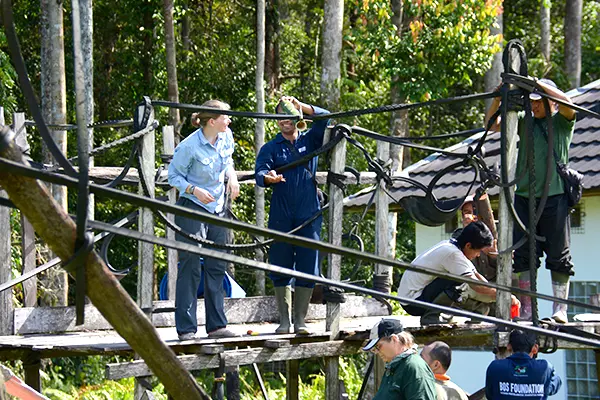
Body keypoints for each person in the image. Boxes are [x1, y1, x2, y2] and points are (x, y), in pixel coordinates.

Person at [485, 78, 577, 323]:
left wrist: (535, 83)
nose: (534, 107)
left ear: (550, 103)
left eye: (538, 102)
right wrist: (497, 99)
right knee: (524, 254)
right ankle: (527, 307)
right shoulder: (524, 121)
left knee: (559, 254)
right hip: (525, 197)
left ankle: (560, 309)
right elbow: (491, 125)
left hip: (554, 195)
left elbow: (569, 105)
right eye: (531, 102)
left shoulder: (561, 123)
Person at [255, 96, 330, 335]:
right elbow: (260, 173)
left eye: (289, 115)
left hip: (309, 213)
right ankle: (284, 321)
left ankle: (300, 321)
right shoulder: (271, 147)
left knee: (308, 266)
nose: (285, 121)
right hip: (282, 214)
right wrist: (268, 178)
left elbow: (325, 117)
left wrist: (302, 106)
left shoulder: (310, 141)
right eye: (280, 116)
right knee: (280, 265)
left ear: (297, 118)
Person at [168, 99, 240, 340]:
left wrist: (232, 176)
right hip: (193, 208)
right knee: (190, 266)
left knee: (217, 265)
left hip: (218, 209)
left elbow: (227, 159)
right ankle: (186, 329)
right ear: (212, 121)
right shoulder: (189, 147)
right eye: (225, 117)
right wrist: (193, 190)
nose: (229, 121)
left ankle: (217, 326)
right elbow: (173, 176)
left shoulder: (226, 136)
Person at [398, 220, 520, 325]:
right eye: (478, 251)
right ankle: (431, 317)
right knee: (459, 282)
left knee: (468, 283)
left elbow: (478, 277)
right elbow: (476, 285)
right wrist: (503, 296)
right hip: (413, 302)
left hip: (418, 296)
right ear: (468, 245)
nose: (478, 255)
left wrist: (501, 295)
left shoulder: (453, 247)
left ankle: (479, 311)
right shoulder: (452, 254)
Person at [362, 318, 437, 400]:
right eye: (374, 349)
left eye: (379, 346)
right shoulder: (394, 367)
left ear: (394, 339)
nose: (376, 352)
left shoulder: (414, 367)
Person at [485, 329, 562, 399]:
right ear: (535, 348)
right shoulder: (545, 367)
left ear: (509, 346)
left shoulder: (495, 367)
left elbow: (490, 394)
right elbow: (556, 384)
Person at [452, 194, 498, 283]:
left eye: (475, 212)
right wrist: (468, 231)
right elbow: (460, 262)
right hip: (471, 283)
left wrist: (493, 255)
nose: (472, 216)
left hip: (496, 282)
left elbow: (509, 264)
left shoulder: (494, 233)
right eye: (467, 212)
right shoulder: (458, 235)